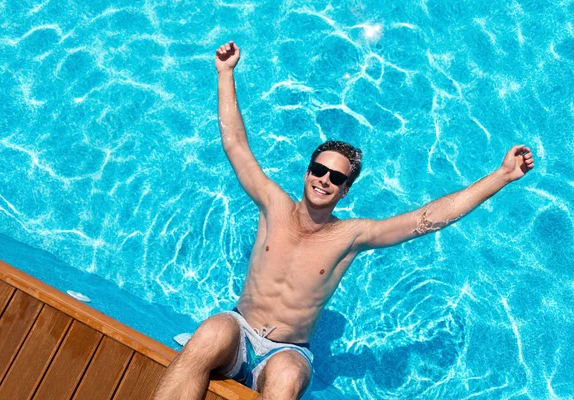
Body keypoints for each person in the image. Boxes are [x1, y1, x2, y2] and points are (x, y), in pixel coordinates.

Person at [152, 41, 535, 400]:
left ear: (345, 190)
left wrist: (500, 176)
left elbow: (427, 219)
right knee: (209, 333)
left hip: (285, 351)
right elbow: (235, 143)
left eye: (337, 178)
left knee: (285, 378)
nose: (325, 180)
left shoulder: (351, 235)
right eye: (320, 170)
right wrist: (225, 73)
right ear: (307, 172)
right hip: (240, 330)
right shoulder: (273, 203)